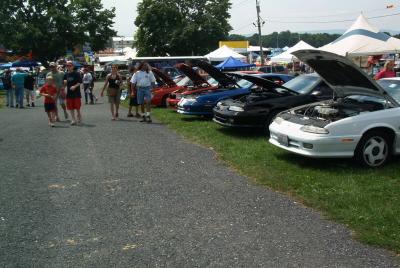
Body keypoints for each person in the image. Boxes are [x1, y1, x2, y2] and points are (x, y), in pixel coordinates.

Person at [64, 61, 83, 125]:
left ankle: (79, 115)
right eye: (67, 65)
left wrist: (75, 86)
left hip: (76, 93)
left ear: (73, 66)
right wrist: (64, 85)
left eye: (70, 65)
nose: (68, 67)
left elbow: (80, 82)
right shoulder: (65, 74)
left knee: (77, 107)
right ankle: (73, 119)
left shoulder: (77, 74)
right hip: (69, 93)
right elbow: (64, 83)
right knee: (70, 107)